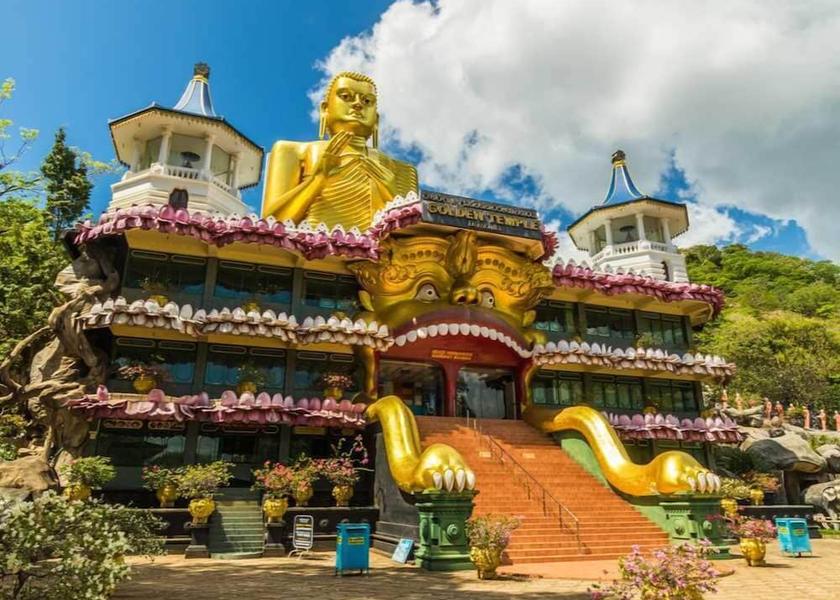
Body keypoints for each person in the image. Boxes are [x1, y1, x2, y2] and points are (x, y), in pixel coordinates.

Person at [262, 72, 418, 231]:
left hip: (380, 247)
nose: (358, 104)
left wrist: (393, 196)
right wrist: (318, 179)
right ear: (325, 109)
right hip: (314, 246)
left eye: (367, 101)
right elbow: (270, 224)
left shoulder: (402, 170)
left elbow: (416, 238)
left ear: (376, 119)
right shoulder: (294, 151)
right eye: (346, 96)